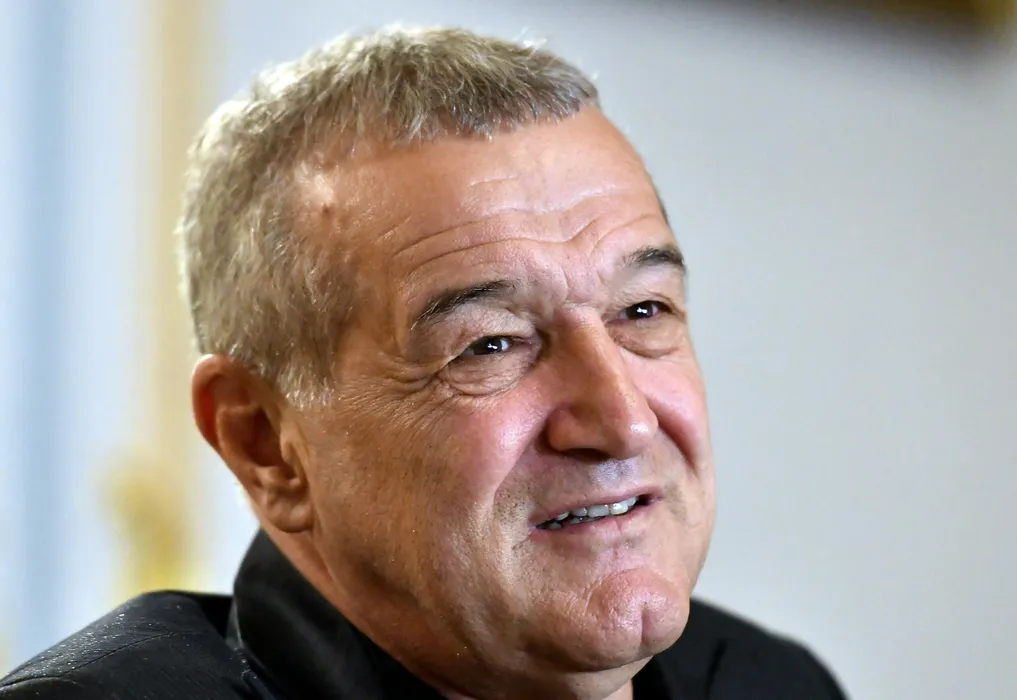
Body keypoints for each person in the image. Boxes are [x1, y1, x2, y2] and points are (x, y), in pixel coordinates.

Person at [0, 26, 848, 700]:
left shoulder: (767, 683)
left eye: (642, 312)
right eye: (489, 344)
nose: (623, 420)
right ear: (263, 443)